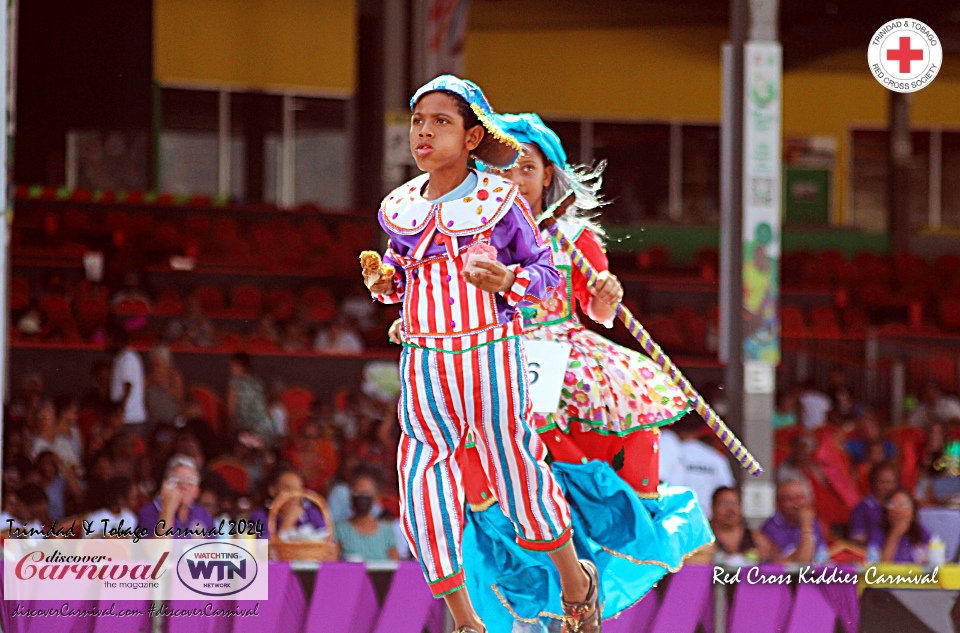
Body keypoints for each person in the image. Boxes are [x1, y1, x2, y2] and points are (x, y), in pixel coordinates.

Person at [441, 113, 712, 632]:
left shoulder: (572, 237)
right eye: (502, 168)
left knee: (625, 436)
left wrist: (608, 298)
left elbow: (599, 309)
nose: (512, 177)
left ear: (547, 176)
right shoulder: (469, 234)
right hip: (497, 355)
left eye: (525, 167)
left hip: (565, 362)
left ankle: (593, 555)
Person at [364, 76, 597, 633]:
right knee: (419, 484)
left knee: (517, 474)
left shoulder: (499, 202)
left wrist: (505, 279)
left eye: (441, 121)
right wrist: (384, 279)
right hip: (421, 363)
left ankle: (575, 581)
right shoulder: (397, 208)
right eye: (419, 121)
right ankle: (467, 623)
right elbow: (402, 280)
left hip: (488, 357)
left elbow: (544, 274)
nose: (424, 131)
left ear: (472, 138)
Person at [672, 414, 735, 519]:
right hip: (707, 520)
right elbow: (726, 490)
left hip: (676, 518)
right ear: (701, 429)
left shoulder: (670, 453)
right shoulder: (716, 457)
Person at [137, 454, 213, 538]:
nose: (183, 486)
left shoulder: (202, 514)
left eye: (190, 482)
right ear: (165, 486)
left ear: (196, 491)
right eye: (177, 480)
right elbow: (158, 550)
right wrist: (168, 509)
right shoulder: (149, 511)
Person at [249, 464, 329, 541]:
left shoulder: (310, 513)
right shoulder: (261, 515)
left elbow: (327, 541)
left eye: (298, 489)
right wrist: (287, 522)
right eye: (288, 489)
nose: (294, 495)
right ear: (272, 490)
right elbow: (263, 551)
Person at [335, 467, 399, 562]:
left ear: (375, 497)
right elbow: (332, 562)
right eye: (357, 492)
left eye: (366, 493)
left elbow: (396, 564)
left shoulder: (386, 530)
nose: (361, 497)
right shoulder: (340, 529)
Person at [761, 477, 829, 564]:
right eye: (789, 499)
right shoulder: (771, 528)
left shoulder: (814, 522)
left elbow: (822, 555)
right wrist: (806, 525)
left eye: (800, 498)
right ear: (778, 503)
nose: (796, 504)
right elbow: (802, 562)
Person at [710, 486, 774, 565]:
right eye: (724, 503)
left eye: (735, 503)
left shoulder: (757, 540)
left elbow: (773, 564)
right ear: (713, 507)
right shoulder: (702, 538)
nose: (730, 509)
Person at [226, 352, 277, 445]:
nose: (230, 368)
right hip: (264, 428)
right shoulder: (258, 382)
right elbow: (266, 406)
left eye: (232, 365)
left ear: (240, 366)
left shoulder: (234, 383)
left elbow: (231, 410)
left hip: (245, 429)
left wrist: (229, 431)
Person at [849, 462, 899, 552]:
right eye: (883, 482)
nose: (888, 487)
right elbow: (857, 542)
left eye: (892, 482)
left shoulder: (900, 508)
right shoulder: (861, 509)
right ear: (873, 482)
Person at [107, 325, 148, 434]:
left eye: (109, 340)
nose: (107, 344)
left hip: (129, 417)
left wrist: (120, 411)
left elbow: (128, 386)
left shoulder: (128, 358)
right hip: (125, 417)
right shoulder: (120, 357)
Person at [879, 489, 931, 564]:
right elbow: (882, 564)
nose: (899, 510)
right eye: (893, 505)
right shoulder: (878, 532)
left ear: (913, 512)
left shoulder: (921, 532)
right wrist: (895, 534)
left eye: (904, 505)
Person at [145, 345, 184, 426]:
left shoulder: (174, 376)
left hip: (171, 421)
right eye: (152, 365)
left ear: (166, 363)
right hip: (153, 421)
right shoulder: (147, 378)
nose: (155, 369)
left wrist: (163, 386)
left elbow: (179, 398)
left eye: (158, 365)